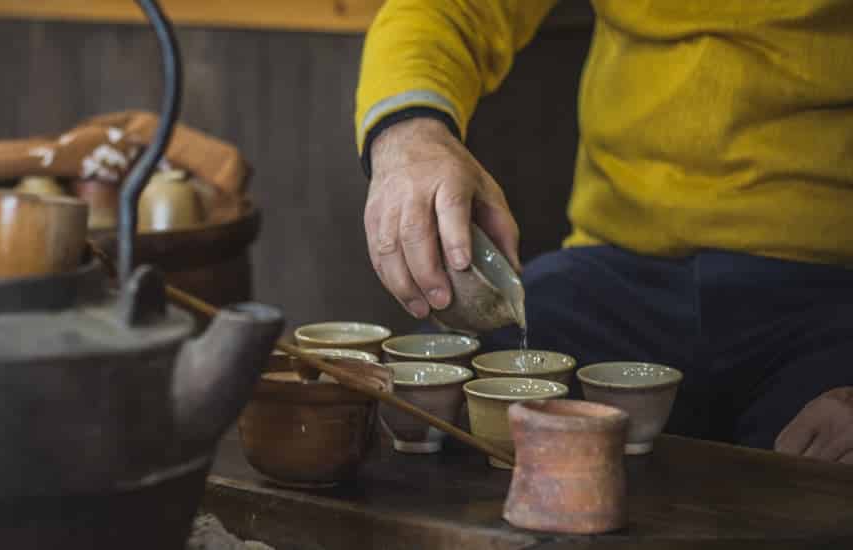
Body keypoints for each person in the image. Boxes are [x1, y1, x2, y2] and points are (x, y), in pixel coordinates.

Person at [354, 1, 853, 462]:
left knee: (817, 490)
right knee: (422, 414)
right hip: (613, 276)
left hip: (828, 296)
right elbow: (451, 8)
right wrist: (410, 138)